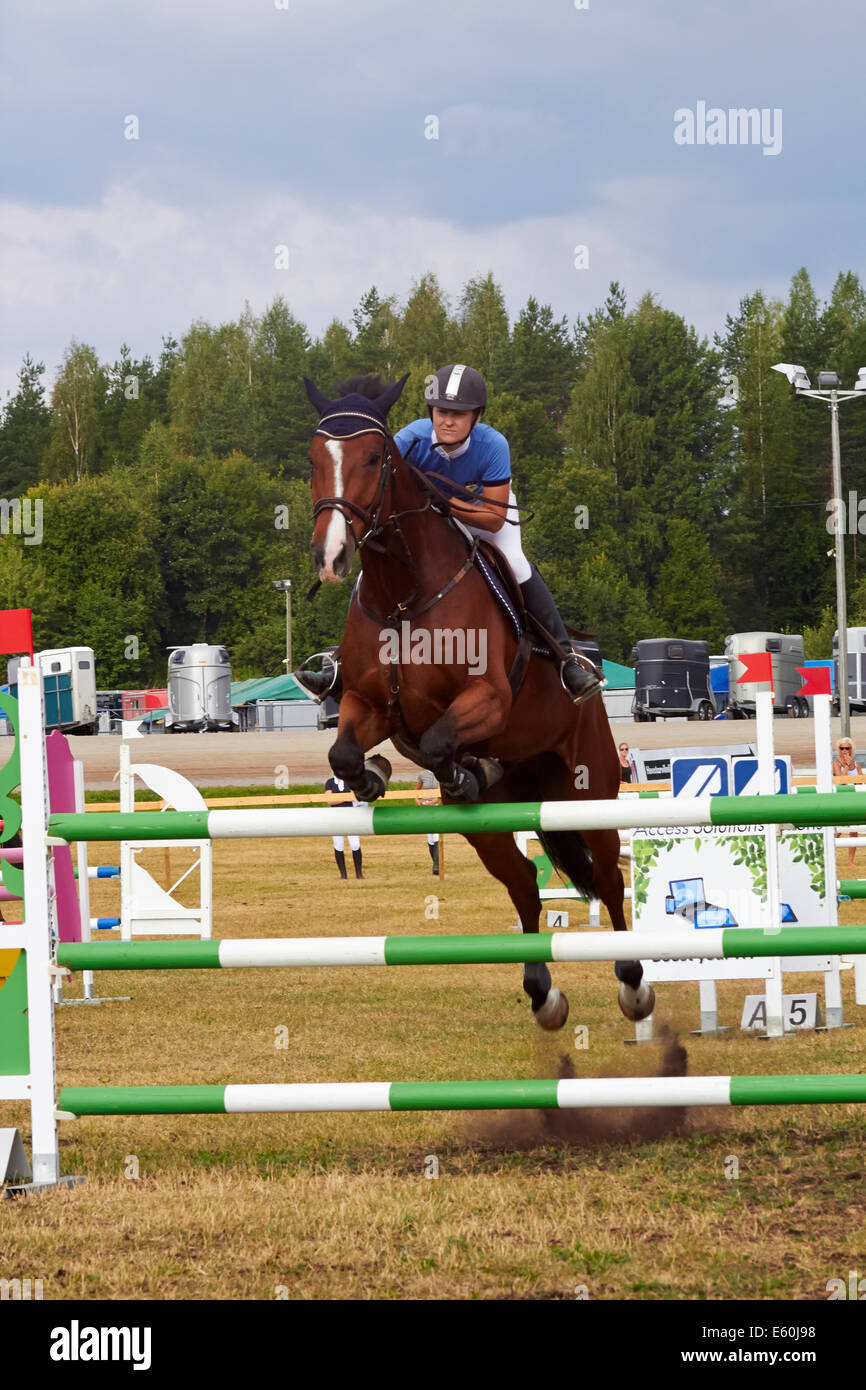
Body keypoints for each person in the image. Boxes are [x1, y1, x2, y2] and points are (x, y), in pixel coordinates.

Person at [297, 364, 603, 707]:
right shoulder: (410, 439)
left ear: (477, 416)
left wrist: (447, 502)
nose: (447, 421)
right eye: (441, 411)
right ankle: (340, 666)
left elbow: (494, 519)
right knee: (373, 571)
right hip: (429, 520)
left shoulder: (492, 445)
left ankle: (567, 661)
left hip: (482, 513)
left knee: (516, 565)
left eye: (458, 414)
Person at [324, 774, 366, 879]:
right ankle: (343, 874)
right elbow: (329, 800)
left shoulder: (350, 780)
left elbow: (353, 796)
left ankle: (359, 873)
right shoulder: (330, 782)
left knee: (355, 844)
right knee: (338, 844)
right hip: (335, 817)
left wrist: (337, 798)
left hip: (350, 816)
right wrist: (345, 797)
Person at [833, 738, 863, 867]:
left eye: (847, 748)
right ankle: (828, 855)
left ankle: (851, 860)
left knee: (853, 830)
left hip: (854, 798)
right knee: (838, 830)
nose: (845, 751)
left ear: (852, 749)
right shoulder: (836, 763)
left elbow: (861, 781)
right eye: (842, 748)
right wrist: (846, 766)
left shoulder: (857, 765)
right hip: (841, 798)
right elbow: (841, 780)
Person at [415, 768, 440, 874]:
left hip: (434, 807)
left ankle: (436, 865)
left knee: (435, 835)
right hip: (425, 808)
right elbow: (416, 791)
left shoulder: (439, 774)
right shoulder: (422, 774)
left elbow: (439, 796)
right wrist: (417, 801)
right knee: (430, 837)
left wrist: (428, 803)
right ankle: (435, 862)